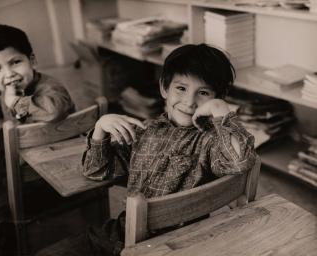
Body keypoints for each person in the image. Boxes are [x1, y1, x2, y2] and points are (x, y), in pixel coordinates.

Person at [36, 43, 257, 256]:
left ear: (216, 98)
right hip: (120, 234)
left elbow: (240, 162)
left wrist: (222, 112)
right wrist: (100, 128)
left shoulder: (211, 141)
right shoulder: (144, 131)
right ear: (164, 88)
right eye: (181, 88)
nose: (189, 102)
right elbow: (95, 171)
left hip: (176, 245)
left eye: (204, 93)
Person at [0, 24, 75, 255]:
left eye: (15, 62)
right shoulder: (9, 92)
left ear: (32, 60)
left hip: (51, 170)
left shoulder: (50, 87)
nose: (8, 74)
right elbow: (0, 105)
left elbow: (54, 111)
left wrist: (15, 103)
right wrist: (4, 104)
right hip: (25, 161)